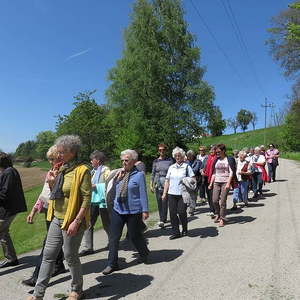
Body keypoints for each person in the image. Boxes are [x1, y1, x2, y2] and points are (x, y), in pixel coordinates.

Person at [26, 135, 91, 300]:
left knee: (70, 256)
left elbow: (86, 199)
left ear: (73, 152)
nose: (59, 155)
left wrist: (76, 222)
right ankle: (37, 294)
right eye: (58, 152)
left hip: (73, 219)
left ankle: (76, 290)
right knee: (48, 255)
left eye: (62, 152)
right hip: (56, 217)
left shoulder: (82, 171)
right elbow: (57, 195)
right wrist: (51, 183)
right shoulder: (60, 169)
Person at [22, 146, 66, 287]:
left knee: (47, 244)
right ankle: (59, 265)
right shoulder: (51, 172)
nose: (50, 162)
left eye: (52, 159)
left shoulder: (65, 172)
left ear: (61, 157)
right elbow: (44, 194)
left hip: (59, 211)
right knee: (53, 240)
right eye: (49, 159)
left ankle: (36, 277)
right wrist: (33, 211)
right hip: (48, 210)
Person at [102, 149, 149, 275]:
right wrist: (118, 179)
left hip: (134, 211)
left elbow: (143, 194)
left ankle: (144, 253)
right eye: (122, 160)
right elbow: (114, 190)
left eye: (126, 160)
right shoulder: (119, 174)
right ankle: (112, 263)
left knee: (134, 235)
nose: (123, 163)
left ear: (133, 161)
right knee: (114, 237)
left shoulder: (139, 175)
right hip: (118, 209)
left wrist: (145, 210)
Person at [79, 151, 111, 257]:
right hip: (92, 201)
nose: (91, 161)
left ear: (97, 160)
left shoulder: (105, 170)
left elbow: (109, 183)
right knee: (88, 224)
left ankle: (112, 242)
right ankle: (88, 248)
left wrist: (96, 186)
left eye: (92, 159)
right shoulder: (92, 172)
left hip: (102, 201)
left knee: (106, 223)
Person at [0, 152, 27, 268]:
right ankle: (11, 258)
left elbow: (5, 193)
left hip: (8, 209)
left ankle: (11, 258)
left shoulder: (9, 172)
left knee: (2, 232)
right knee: (3, 233)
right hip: (8, 208)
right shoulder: (8, 171)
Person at [162, 147, 195, 240]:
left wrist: (186, 180)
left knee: (181, 212)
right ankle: (176, 232)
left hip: (182, 194)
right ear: (174, 157)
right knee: (172, 214)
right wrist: (164, 193)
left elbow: (193, 179)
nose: (177, 157)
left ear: (182, 156)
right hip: (171, 193)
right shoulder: (171, 167)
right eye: (176, 156)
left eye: (179, 155)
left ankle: (184, 229)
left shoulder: (187, 167)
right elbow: (167, 181)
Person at [209, 144, 236, 227]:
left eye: (218, 152)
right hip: (216, 182)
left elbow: (232, 172)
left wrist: (228, 183)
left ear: (223, 151)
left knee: (223, 201)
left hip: (225, 182)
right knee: (214, 200)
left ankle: (222, 218)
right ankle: (218, 213)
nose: (216, 153)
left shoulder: (229, 159)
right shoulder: (216, 160)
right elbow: (214, 173)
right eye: (216, 152)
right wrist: (211, 183)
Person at [150, 144, 173, 228]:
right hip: (157, 183)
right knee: (159, 201)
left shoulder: (169, 160)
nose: (161, 151)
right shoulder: (155, 161)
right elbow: (152, 174)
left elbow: (172, 173)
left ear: (165, 151)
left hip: (166, 183)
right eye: (160, 150)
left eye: (163, 150)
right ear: (158, 151)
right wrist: (151, 185)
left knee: (165, 200)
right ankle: (162, 218)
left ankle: (162, 219)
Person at [203, 146, 217, 217]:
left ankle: (215, 210)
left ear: (215, 150)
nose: (211, 151)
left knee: (213, 195)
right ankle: (212, 209)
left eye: (212, 150)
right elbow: (203, 167)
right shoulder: (206, 158)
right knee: (208, 194)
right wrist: (202, 170)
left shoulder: (217, 158)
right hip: (206, 178)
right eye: (210, 149)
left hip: (215, 179)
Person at [186, 150, 201, 215]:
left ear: (193, 156)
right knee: (189, 194)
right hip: (188, 180)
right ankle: (192, 206)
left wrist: (189, 171)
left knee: (194, 194)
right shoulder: (186, 162)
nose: (188, 157)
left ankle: (192, 208)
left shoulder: (198, 162)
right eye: (188, 156)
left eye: (190, 156)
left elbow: (195, 170)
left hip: (196, 180)